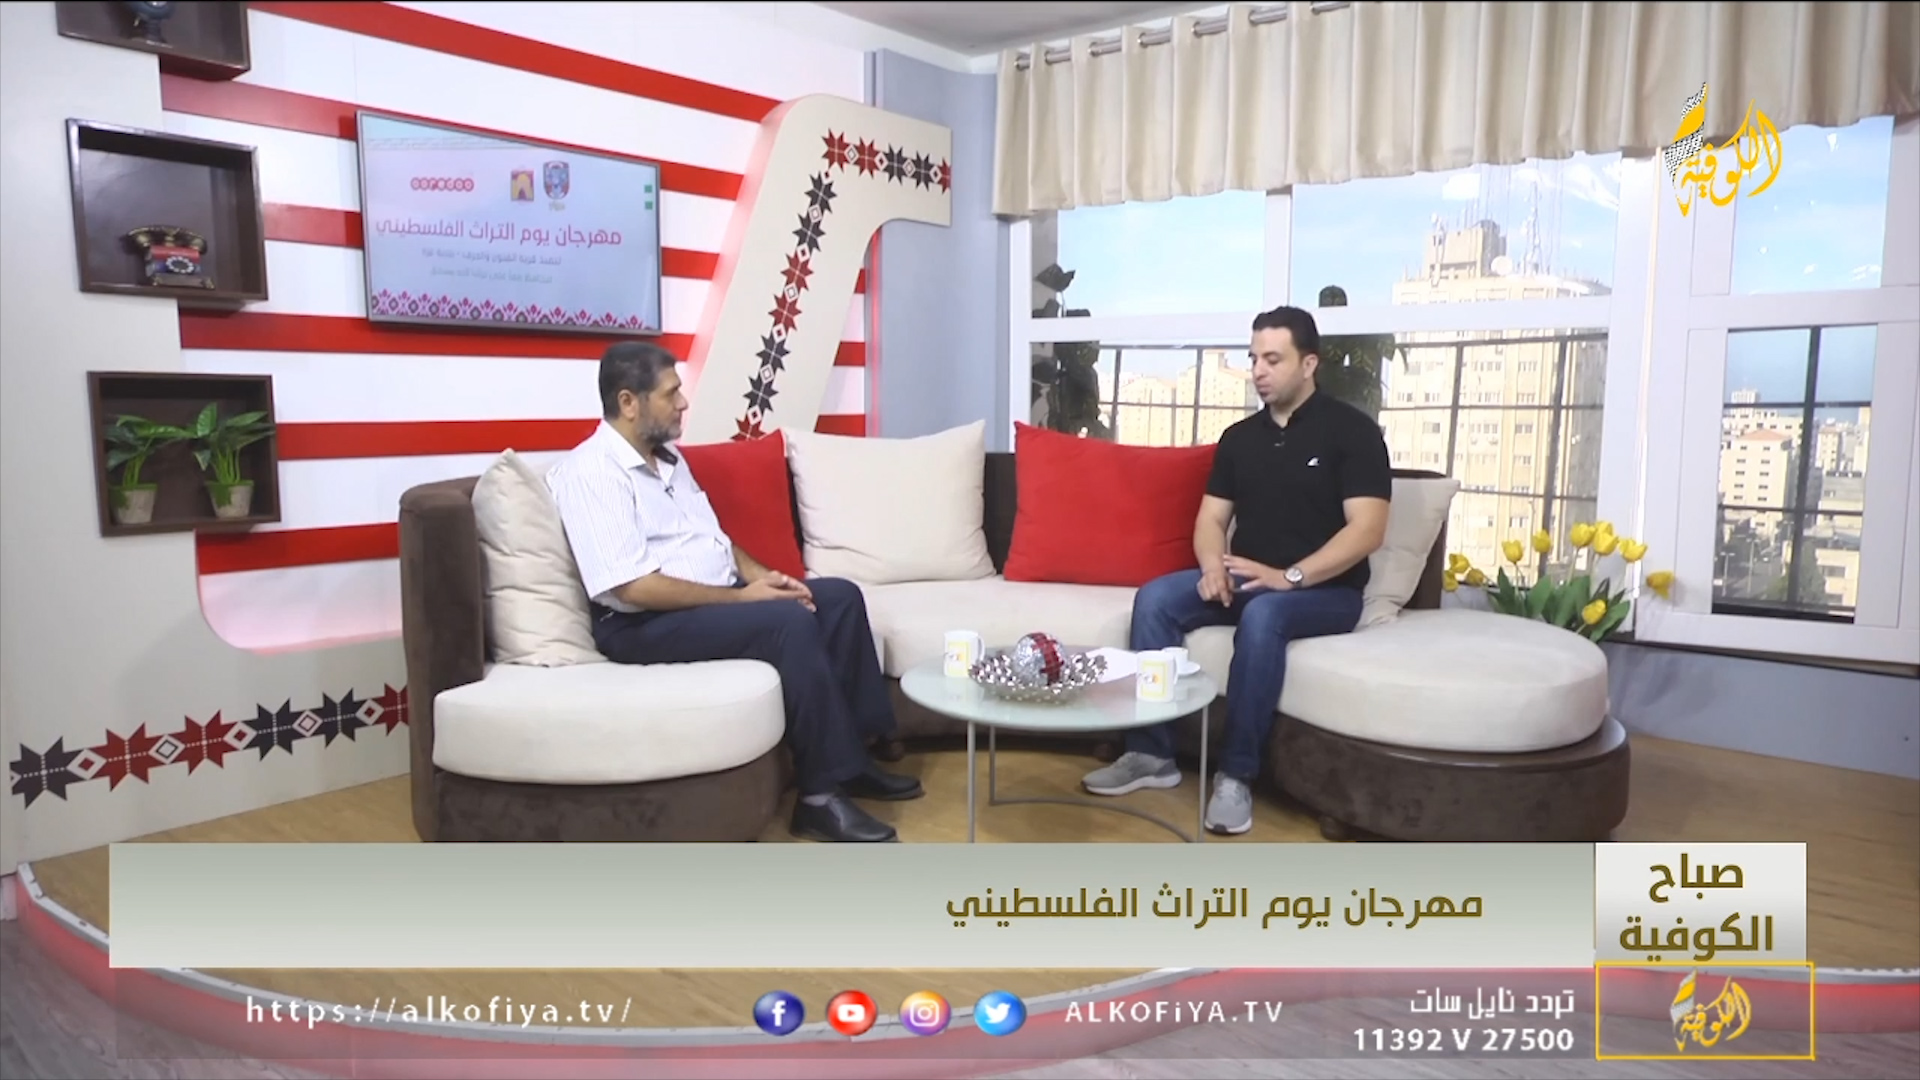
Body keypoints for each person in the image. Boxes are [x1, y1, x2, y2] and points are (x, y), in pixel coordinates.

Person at [545, 342, 922, 843]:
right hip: (640, 624)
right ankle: (819, 797)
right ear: (628, 402)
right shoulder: (591, 473)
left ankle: (856, 758)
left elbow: (716, 542)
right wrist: (743, 600)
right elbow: (633, 586)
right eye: (671, 393)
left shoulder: (669, 462)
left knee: (837, 599)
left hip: (705, 601)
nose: (683, 403)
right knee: (787, 623)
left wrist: (769, 579)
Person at [1081, 305, 1393, 835]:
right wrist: (1212, 567)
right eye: (1254, 359)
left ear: (1309, 363)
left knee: (1265, 614)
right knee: (1156, 599)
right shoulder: (1240, 438)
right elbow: (1211, 519)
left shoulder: (1352, 432)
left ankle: (1236, 774)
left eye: (1273, 359)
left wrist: (1290, 577)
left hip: (1325, 592)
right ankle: (1151, 754)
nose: (1258, 371)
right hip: (1249, 578)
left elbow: (1367, 530)